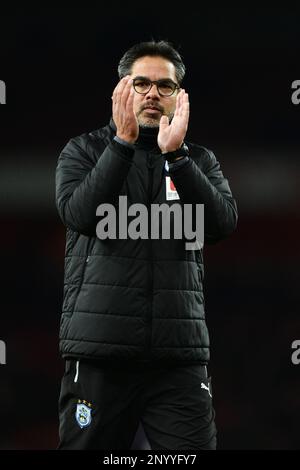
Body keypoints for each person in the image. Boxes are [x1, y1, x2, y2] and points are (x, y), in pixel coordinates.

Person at [55, 40, 238, 450]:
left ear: (179, 97)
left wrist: (178, 158)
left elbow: (222, 224)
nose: (153, 93)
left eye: (165, 86)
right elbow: (80, 216)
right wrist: (122, 143)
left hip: (179, 358)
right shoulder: (83, 151)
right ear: (122, 90)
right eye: (141, 83)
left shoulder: (200, 161)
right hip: (101, 353)